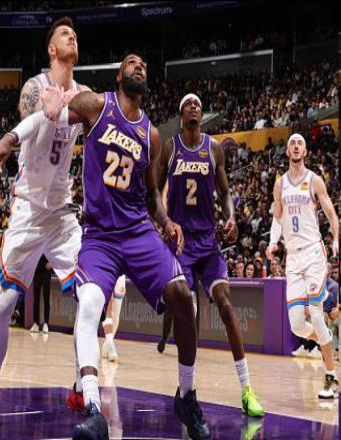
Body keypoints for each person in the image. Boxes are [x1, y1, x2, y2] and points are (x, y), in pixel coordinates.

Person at [63, 54, 209, 439]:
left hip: (138, 231)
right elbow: (58, 113)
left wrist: (166, 220)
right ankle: (93, 408)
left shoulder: (152, 135)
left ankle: (187, 394)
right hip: (100, 235)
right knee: (90, 303)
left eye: (143, 63)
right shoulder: (97, 105)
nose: (139, 66)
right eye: (131, 62)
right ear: (119, 75)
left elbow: (151, 193)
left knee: (183, 297)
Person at [0, 17, 87, 429]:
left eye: (74, 34)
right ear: (51, 49)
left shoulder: (84, 94)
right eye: (64, 34)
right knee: (5, 303)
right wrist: (10, 138)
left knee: (90, 294)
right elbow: (36, 126)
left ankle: (81, 386)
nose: (72, 37)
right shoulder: (35, 88)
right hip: (29, 208)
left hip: (62, 212)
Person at [157, 93, 264, 417]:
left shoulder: (214, 148)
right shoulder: (170, 148)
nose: (195, 106)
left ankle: (247, 388)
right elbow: (154, 192)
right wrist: (165, 220)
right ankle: (187, 388)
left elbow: (226, 192)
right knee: (187, 311)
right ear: (181, 113)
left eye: (199, 105)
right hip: (181, 243)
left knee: (227, 305)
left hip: (208, 242)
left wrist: (231, 217)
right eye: (189, 104)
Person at [266, 133, 339, 398]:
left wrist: (336, 239)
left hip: (313, 253)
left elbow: (331, 214)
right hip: (293, 258)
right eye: (292, 144)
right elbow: (277, 217)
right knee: (297, 325)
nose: (296, 147)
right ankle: (325, 339)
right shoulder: (280, 185)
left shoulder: (314, 180)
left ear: (305, 152)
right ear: (287, 152)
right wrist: (273, 242)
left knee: (316, 314)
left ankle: (330, 378)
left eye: (300, 144)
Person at [101, 275, 126, 362]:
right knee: (108, 309)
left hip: (120, 275)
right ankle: (111, 347)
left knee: (116, 313)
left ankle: (107, 344)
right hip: (105, 272)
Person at [30, 255, 52, 334]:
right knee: (36, 299)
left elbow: (53, 252)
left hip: (46, 272)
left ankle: (46, 323)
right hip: (36, 271)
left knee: (46, 298)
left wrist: (52, 262)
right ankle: (36, 323)